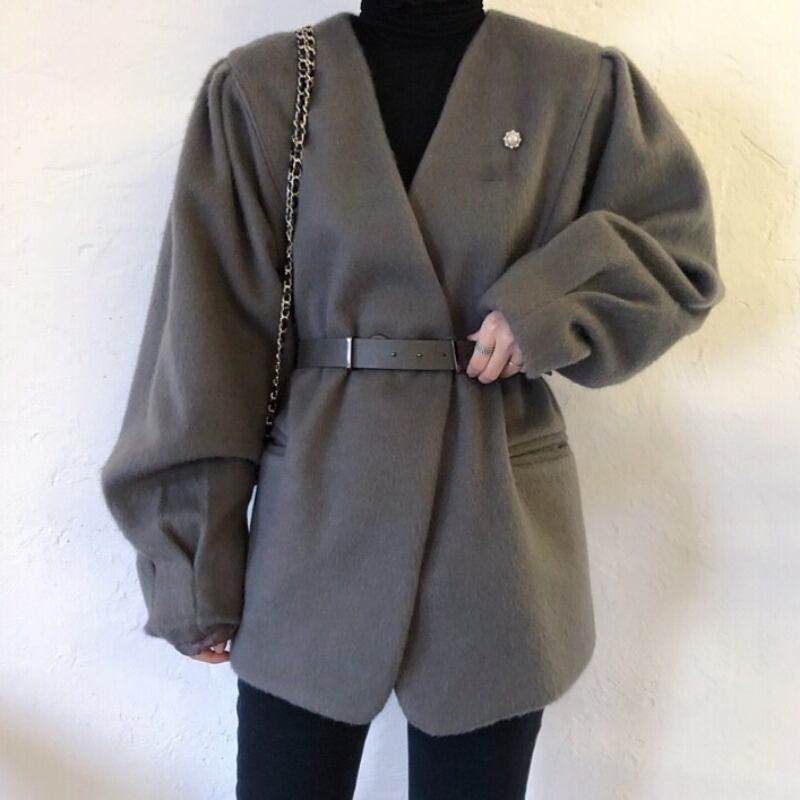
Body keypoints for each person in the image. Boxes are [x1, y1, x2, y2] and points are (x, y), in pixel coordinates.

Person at [99, 0, 725, 797]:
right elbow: (204, 336)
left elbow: (675, 247)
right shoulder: (265, 89)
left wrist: (546, 307)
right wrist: (193, 563)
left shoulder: (578, 86)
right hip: (314, 533)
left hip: (495, 538)